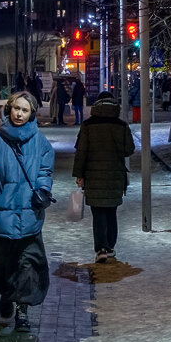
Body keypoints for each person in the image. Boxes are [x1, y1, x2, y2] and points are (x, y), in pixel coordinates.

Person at [0, 91, 54, 332]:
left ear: (32, 114)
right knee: (2, 263)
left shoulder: (40, 142)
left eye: (25, 110)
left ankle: (22, 311)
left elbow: (45, 171)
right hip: (1, 217)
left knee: (28, 264)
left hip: (29, 215)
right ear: (9, 109)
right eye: (16, 108)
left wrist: (42, 190)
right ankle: (6, 293)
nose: (19, 114)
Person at [73, 91, 136, 263]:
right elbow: (129, 149)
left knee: (98, 212)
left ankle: (101, 248)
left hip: (92, 175)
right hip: (115, 175)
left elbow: (81, 152)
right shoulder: (121, 126)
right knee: (111, 211)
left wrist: (79, 174)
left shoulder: (87, 125)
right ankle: (110, 247)